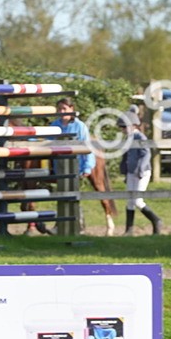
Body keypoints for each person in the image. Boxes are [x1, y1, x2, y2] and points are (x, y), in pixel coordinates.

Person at [53, 96, 117, 235]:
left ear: (71, 109)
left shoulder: (79, 126)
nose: (61, 111)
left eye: (64, 109)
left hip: (78, 162)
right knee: (64, 193)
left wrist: (87, 167)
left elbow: (87, 146)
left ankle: (108, 218)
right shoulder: (54, 125)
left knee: (98, 186)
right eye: (59, 109)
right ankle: (68, 223)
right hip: (61, 165)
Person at [117, 111, 162, 235]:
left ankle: (156, 220)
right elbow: (126, 156)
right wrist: (125, 171)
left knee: (137, 200)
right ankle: (129, 230)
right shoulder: (129, 138)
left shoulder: (140, 137)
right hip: (131, 172)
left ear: (133, 125)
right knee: (130, 201)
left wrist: (140, 169)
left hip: (141, 172)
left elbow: (146, 153)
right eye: (121, 127)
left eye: (124, 127)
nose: (123, 130)